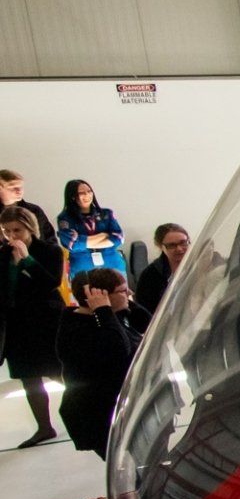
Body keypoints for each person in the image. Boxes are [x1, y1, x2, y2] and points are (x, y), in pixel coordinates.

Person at [56, 267, 150, 458]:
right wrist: (104, 310)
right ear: (100, 296)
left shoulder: (114, 315)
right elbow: (118, 350)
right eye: (123, 291)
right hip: (100, 418)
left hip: (130, 408)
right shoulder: (75, 329)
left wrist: (126, 306)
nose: (130, 294)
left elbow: (149, 325)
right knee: (133, 470)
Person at [2, 204, 64, 448]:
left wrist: (27, 261)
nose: (12, 236)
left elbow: (50, 283)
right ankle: (44, 426)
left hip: (45, 318)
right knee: (28, 376)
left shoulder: (49, 250)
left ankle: (96, 407)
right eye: (7, 231)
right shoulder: (3, 255)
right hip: (17, 321)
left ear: (29, 227)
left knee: (56, 369)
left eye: (16, 230)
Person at [56, 179, 126, 276]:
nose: (87, 195)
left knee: (118, 290)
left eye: (89, 191)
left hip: (112, 263)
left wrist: (83, 241)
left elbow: (119, 238)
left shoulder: (106, 213)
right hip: (83, 268)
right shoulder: (65, 218)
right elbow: (72, 244)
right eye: (82, 193)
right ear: (73, 197)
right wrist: (103, 235)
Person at [136, 223, 191, 315]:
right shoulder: (150, 275)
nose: (179, 249)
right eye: (172, 245)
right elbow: (145, 312)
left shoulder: (207, 263)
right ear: (160, 247)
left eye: (183, 242)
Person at [0, 171, 55, 246]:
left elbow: (49, 238)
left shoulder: (34, 210)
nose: (19, 191)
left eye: (21, 187)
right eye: (14, 188)